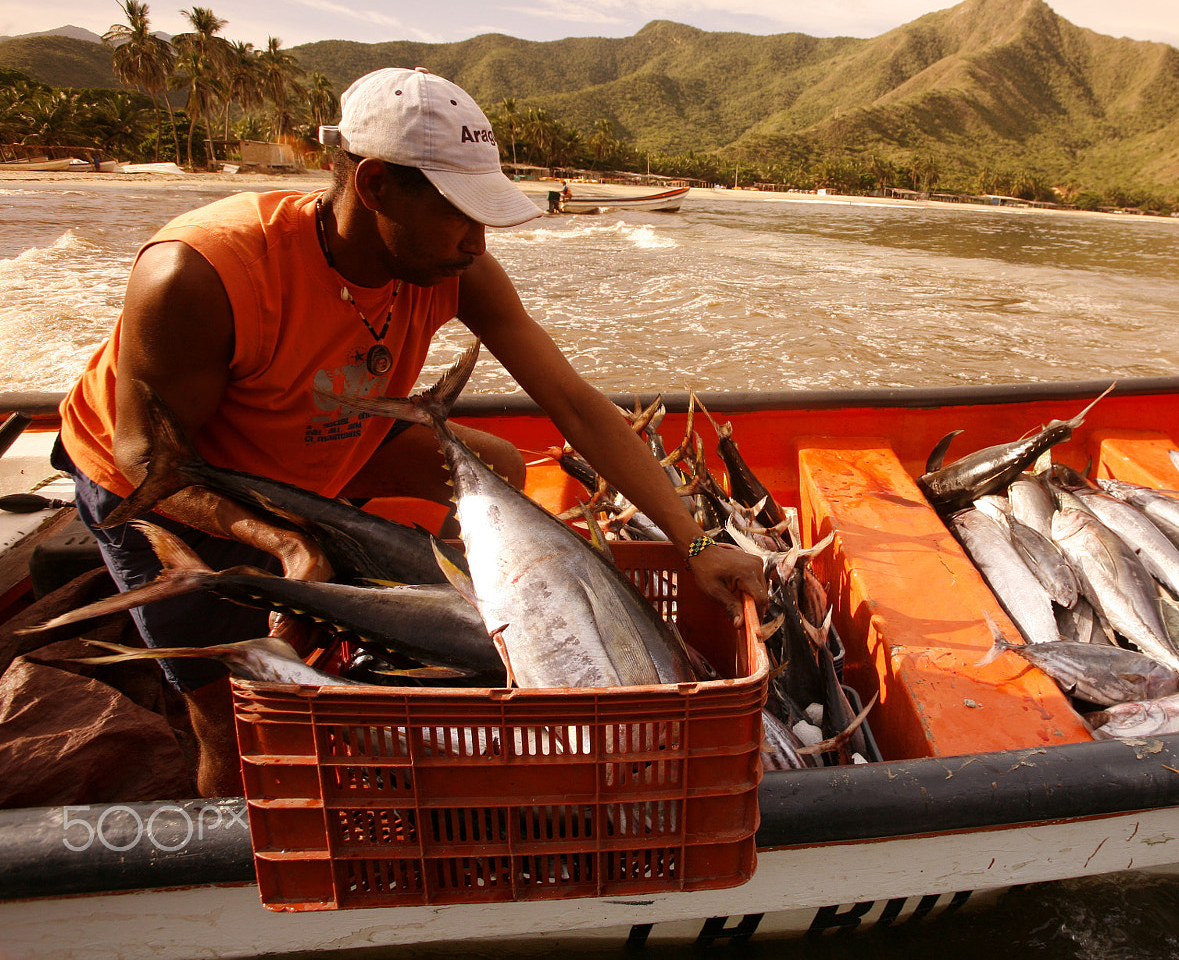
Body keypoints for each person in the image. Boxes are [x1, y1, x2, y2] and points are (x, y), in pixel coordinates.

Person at [52, 67, 767, 797]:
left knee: (494, 465)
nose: (478, 238)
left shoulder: (460, 267)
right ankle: (237, 864)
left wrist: (697, 541)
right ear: (375, 186)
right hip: (167, 484)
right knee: (234, 714)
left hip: (320, 442)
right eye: (460, 211)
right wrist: (283, 541)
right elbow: (143, 457)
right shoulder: (201, 274)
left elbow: (577, 408)